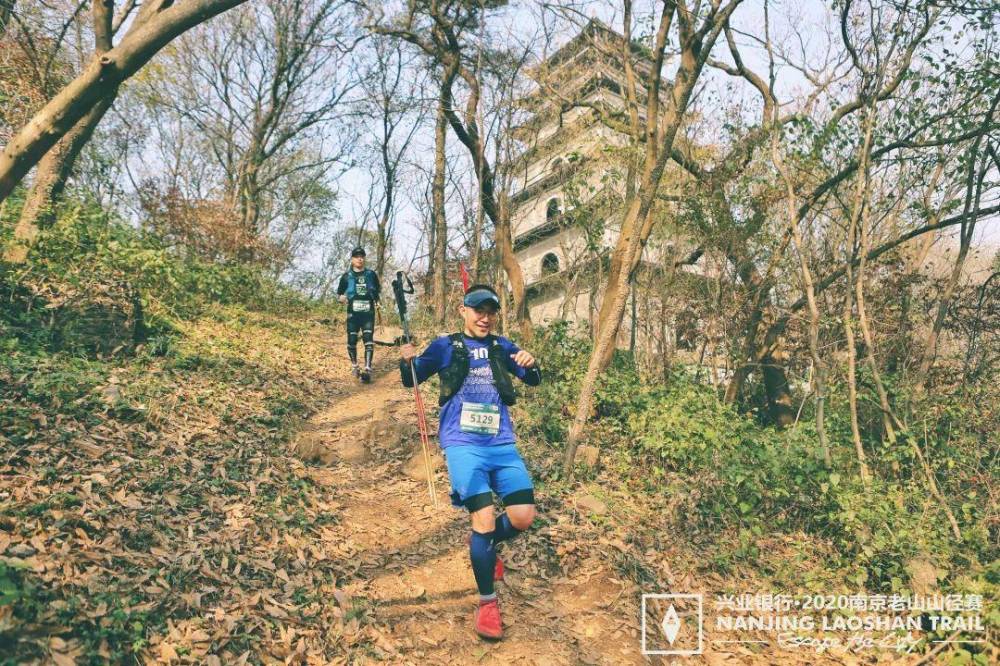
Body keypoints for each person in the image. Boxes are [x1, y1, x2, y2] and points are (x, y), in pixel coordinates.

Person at [399, 284, 541, 641]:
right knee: (484, 519)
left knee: (523, 516)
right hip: (462, 444)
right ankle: (487, 603)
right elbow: (410, 379)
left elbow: (533, 379)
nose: (485, 317)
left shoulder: (502, 346)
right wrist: (407, 359)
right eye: (478, 310)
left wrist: (530, 362)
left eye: (491, 312)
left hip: (502, 443)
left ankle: (484, 545)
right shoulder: (445, 346)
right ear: (463, 311)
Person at [337, 247, 381, 382]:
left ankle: (367, 370)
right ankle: (355, 366)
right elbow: (339, 294)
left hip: (368, 312)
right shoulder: (346, 276)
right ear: (352, 259)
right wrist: (341, 298)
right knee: (351, 340)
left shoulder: (371, 275)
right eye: (356, 256)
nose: (359, 259)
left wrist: (378, 302)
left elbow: (376, 291)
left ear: (364, 259)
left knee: (368, 339)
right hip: (353, 314)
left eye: (362, 256)